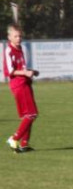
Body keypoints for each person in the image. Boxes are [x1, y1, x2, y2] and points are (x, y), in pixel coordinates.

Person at [4, 23, 39, 153]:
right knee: (31, 114)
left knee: (27, 115)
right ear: (9, 37)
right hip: (19, 85)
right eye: (16, 36)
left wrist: (30, 71)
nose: (19, 38)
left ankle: (24, 144)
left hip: (25, 83)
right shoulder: (9, 51)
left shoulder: (20, 49)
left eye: (20, 36)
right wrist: (25, 73)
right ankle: (14, 138)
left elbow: (21, 69)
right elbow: (10, 71)